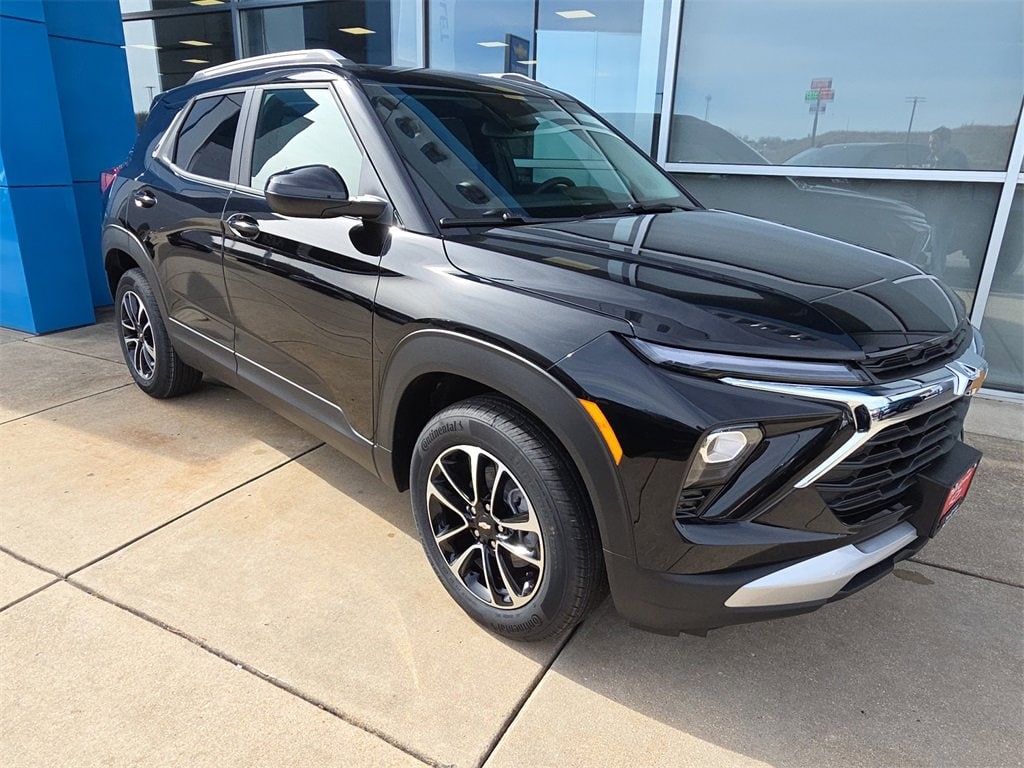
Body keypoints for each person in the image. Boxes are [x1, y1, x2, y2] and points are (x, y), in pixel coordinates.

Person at [925, 127, 969, 277]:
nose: (931, 146)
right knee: (931, 243)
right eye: (930, 143)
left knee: (939, 244)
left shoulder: (957, 159)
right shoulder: (930, 158)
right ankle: (931, 270)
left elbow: (955, 184)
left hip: (947, 211)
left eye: (935, 143)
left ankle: (937, 274)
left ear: (946, 143)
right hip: (931, 209)